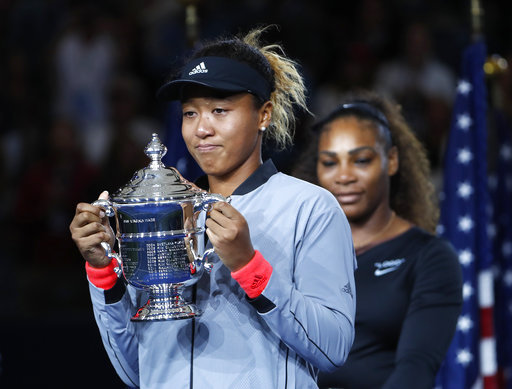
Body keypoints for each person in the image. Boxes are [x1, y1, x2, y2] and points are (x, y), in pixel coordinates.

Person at [69, 27, 357, 389]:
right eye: (190, 114)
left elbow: (333, 349)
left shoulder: (310, 208)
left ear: (263, 115)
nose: (201, 129)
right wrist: (104, 272)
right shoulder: (165, 214)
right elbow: (136, 371)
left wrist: (251, 267)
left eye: (220, 110)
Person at [293, 90, 462, 389]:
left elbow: (416, 369)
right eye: (330, 162)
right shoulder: (296, 249)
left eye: (360, 160)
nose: (343, 176)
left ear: (392, 160)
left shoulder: (429, 256)